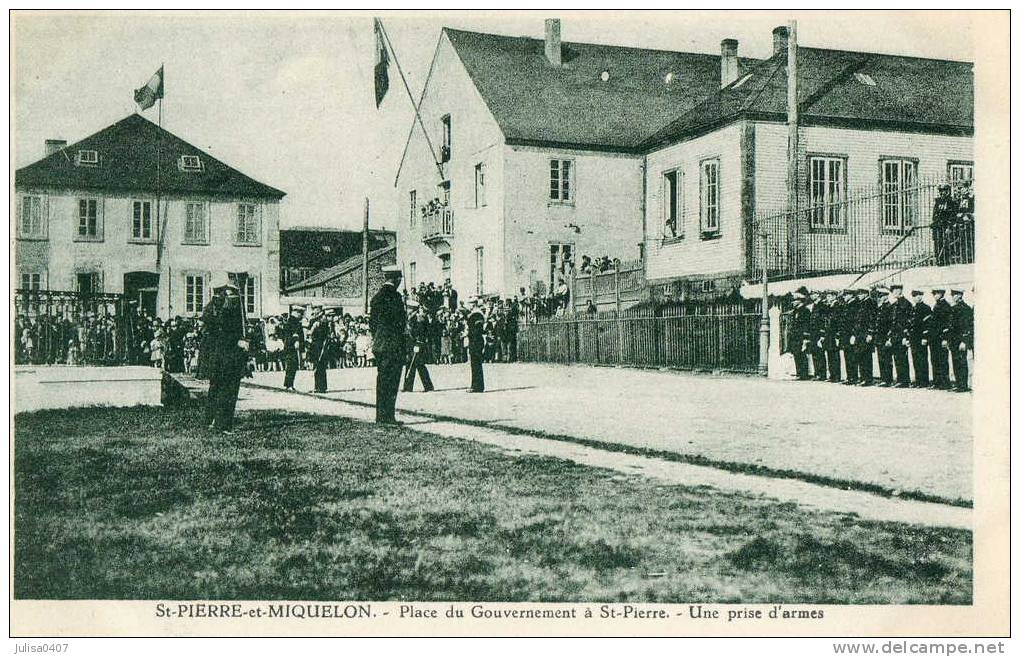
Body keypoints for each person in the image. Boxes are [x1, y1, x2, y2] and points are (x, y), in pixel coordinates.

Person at [202, 283, 249, 434]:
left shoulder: (211, 307)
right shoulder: (230, 308)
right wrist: (239, 341)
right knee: (229, 389)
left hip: (216, 355)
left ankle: (210, 420)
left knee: (215, 387)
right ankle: (223, 424)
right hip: (229, 355)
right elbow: (228, 331)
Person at [370, 266, 407, 424]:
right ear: (397, 279)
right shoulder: (395, 297)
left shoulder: (377, 297)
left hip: (380, 344)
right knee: (392, 382)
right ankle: (389, 416)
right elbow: (399, 323)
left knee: (382, 380)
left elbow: (372, 323)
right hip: (393, 345)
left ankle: (380, 416)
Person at [403, 301, 435, 393]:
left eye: (409, 308)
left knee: (419, 364)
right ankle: (408, 386)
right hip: (410, 344)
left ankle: (428, 386)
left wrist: (418, 344)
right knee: (411, 363)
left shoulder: (419, 318)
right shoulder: (410, 317)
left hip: (417, 344)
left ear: (412, 308)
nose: (408, 309)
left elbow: (421, 333)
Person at [888, 284, 913, 388]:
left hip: (901, 336)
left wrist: (905, 337)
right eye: (892, 291)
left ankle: (904, 380)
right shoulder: (896, 304)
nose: (893, 293)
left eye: (894, 291)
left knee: (902, 358)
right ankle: (900, 379)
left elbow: (908, 322)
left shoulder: (905, 304)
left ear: (899, 291)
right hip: (895, 336)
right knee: (897, 358)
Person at [948, 289, 973, 392]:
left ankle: (963, 386)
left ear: (960, 296)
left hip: (960, 341)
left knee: (961, 362)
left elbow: (966, 327)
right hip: (954, 340)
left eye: (955, 295)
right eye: (952, 295)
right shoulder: (954, 308)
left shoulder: (965, 308)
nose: (953, 297)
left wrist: (964, 341)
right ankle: (959, 384)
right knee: (956, 362)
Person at [929, 288, 953, 390]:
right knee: (935, 360)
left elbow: (946, 324)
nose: (935, 295)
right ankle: (937, 382)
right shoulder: (937, 305)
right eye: (934, 294)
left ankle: (945, 383)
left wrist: (945, 339)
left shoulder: (945, 306)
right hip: (934, 338)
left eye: (937, 293)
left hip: (940, 338)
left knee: (942, 360)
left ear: (942, 294)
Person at [853, 287, 877, 386]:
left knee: (866, 357)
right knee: (861, 356)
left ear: (866, 294)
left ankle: (868, 379)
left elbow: (872, 319)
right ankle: (863, 378)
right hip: (859, 335)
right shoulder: (861, 303)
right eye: (858, 294)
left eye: (860, 294)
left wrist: (870, 333)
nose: (859, 295)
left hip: (866, 334)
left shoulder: (870, 303)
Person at [908, 290, 932, 388]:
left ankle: (924, 381)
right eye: (915, 296)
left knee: (922, 359)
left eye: (919, 295)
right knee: (915, 359)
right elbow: (910, 324)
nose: (917, 297)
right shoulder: (913, 308)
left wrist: (925, 337)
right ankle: (918, 380)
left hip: (921, 338)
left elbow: (928, 325)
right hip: (914, 338)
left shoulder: (926, 308)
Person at [788, 287, 812, 381]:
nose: (793, 302)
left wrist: (806, 338)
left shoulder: (805, 311)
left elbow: (806, 325)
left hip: (801, 336)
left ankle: (804, 374)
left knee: (802, 355)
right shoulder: (795, 311)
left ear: (800, 301)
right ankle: (799, 373)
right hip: (795, 336)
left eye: (795, 300)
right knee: (796, 354)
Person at [307, 307, 330, 393]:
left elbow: (323, 337)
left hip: (320, 347)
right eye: (322, 316)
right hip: (317, 347)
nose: (323, 318)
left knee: (320, 367)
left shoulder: (323, 325)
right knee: (318, 367)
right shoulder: (319, 324)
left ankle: (321, 387)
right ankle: (319, 387)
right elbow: (310, 334)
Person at [281, 307, 304, 390]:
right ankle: (288, 385)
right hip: (291, 347)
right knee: (291, 365)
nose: (302, 316)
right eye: (301, 313)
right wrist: (294, 340)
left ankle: (290, 384)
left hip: (293, 347)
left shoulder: (295, 321)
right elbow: (287, 335)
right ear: (296, 312)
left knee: (293, 366)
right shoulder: (291, 322)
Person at [467, 297, 486, 392]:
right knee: (474, 364)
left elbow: (477, 330)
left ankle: (477, 386)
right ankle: (475, 385)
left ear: (474, 304)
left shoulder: (477, 314)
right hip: (474, 341)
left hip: (476, 341)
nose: (469, 305)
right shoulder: (475, 314)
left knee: (476, 364)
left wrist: (468, 334)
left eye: (470, 303)